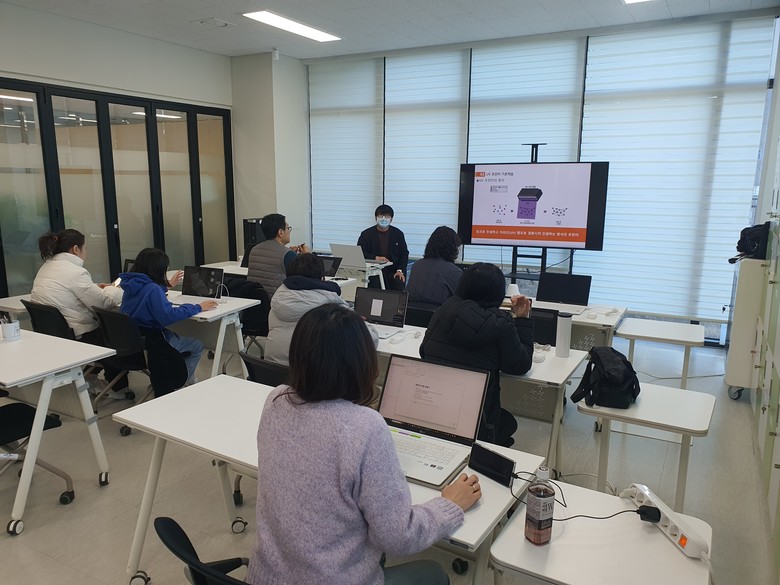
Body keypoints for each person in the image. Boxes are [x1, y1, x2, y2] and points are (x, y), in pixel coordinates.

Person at [247, 303, 481, 585]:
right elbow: (398, 537)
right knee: (434, 573)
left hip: (266, 576)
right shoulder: (365, 426)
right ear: (363, 362)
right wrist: (449, 505)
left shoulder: (276, 400)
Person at [420, 263, 534, 447]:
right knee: (508, 423)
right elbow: (520, 365)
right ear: (498, 293)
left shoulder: (443, 310)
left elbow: (424, 351)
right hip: (479, 420)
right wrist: (523, 319)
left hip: (432, 408)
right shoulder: (501, 323)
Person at [31, 229, 128, 398]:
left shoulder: (46, 267)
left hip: (56, 333)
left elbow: (68, 292)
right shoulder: (75, 272)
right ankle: (117, 388)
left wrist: (95, 288)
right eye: (85, 248)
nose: (86, 252)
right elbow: (104, 303)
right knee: (116, 335)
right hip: (79, 335)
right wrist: (115, 289)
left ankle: (90, 378)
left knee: (103, 332)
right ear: (75, 249)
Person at [119, 248, 217, 383]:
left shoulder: (130, 284)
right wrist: (198, 307)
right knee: (197, 345)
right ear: (158, 269)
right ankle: (182, 383)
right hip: (153, 341)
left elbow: (146, 292)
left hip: (134, 341)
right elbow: (168, 316)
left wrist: (166, 286)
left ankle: (174, 372)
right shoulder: (153, 289)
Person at [264, 253, 378, 365]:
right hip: (311, 374)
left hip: (273, 371)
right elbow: (370, 341)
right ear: (322, 278)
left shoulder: (279, 301)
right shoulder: (332, 309)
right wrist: (358, 322)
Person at [247, 213, 309, 297]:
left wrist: (290, 253)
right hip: (278, 300)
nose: (289, 231)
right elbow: (306, 278)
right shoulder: (287, 254)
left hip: (257, 301)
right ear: (280, 233)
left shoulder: (254, 250)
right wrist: (307, 256)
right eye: (288, 228)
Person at [407, 226, 463, 306]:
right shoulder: (455, 272)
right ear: (453, 248)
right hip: (441, 313)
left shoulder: (416, 265)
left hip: (411, 312)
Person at [357, 204, 409, 291]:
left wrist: (400, 270)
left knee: (398, 281)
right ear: (376, 218)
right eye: (381, 216)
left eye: (387, 216)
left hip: (393, 270)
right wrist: (376, 258)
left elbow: (404, 254)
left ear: (391, 219)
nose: (383, 219)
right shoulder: (366, 234)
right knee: (374, 283)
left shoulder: (398, 234)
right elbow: (360, 253)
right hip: (373, 269)